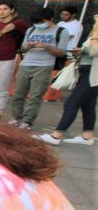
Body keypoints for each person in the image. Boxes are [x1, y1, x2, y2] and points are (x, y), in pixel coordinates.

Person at [37, 17, 98, 146]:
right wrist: (81, 52)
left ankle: (56, 135)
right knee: (88, 105)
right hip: (87, 72)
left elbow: (94, 50)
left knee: (71, 103)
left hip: (93, 76)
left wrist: (97, 26)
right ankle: (87, 136)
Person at [9, 7, 68, 129]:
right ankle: (16, 117)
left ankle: (27, 121)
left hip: (45, 66)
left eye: (42, 22)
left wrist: (47, 47)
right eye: (37, 22)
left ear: (51, 19)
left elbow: (62, 52)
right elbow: (22, 48)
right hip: (26, 64)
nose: (39, 25)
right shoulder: (31, 30)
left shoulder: (61, 31)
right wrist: (28, 46)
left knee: (35, 95)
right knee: (18, 93)